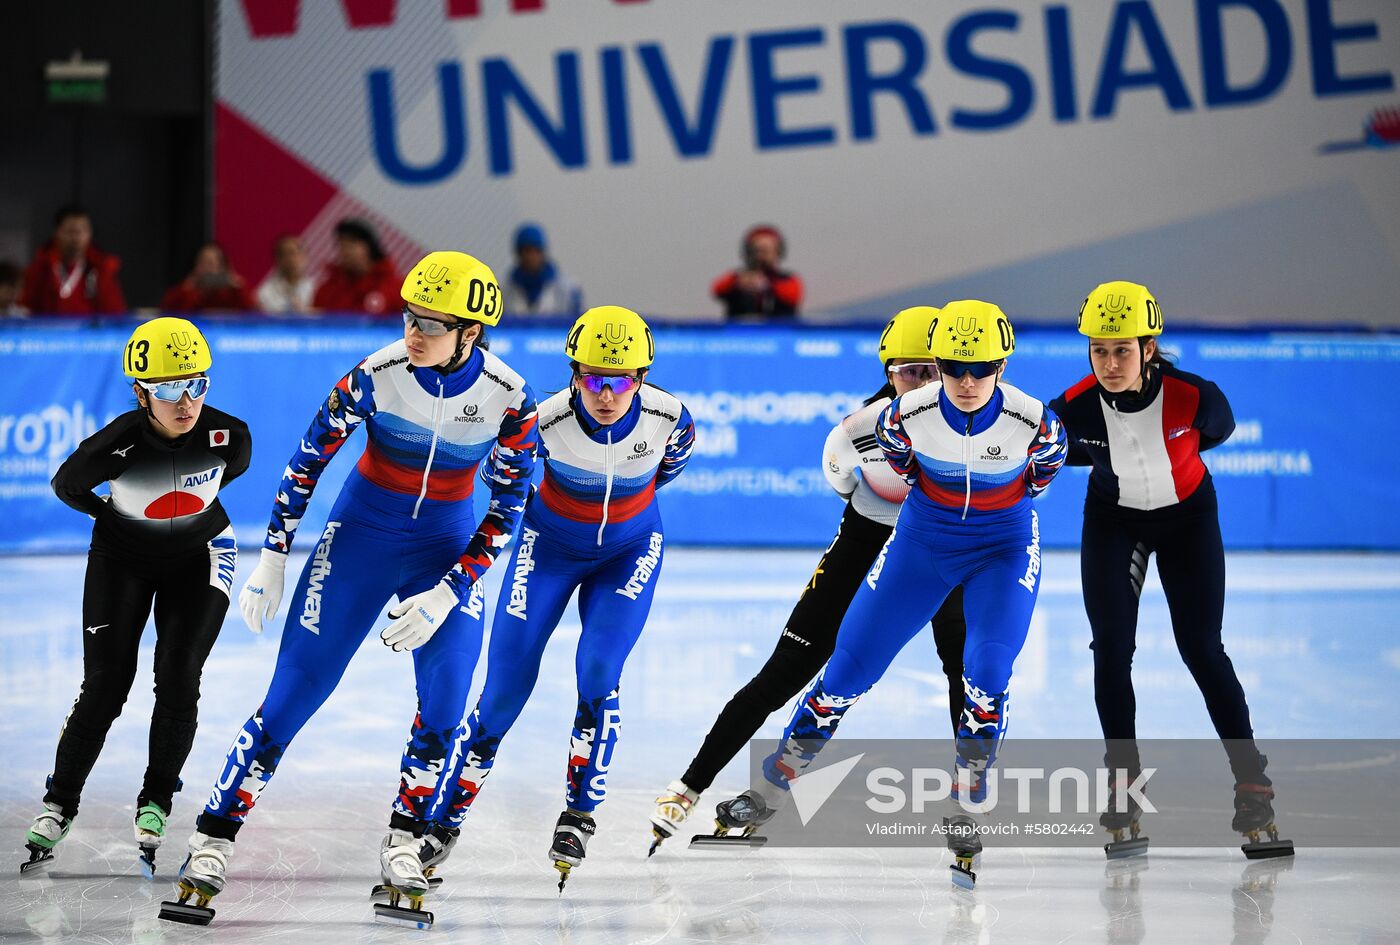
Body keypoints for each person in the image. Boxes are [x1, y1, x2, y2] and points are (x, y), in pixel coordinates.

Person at [159, 251, 537, 928]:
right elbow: (307, 463)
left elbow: (509, 506)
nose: (413, 332)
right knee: (292, 694)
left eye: (432, 324)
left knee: (447, 700)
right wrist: (274, 556)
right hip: (360, 537)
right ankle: (213, 838)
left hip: (445, 548)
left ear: (471, 333)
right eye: (409, 317)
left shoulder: (510, 397)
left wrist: (450, 591)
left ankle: (404, 841)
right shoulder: (375, 374)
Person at [714, 300, 1067, 889]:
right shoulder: (901, 418)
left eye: (981, 368)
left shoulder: (1038, 425)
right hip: (922, 544)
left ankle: (967, 802)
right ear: (939, 364)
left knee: (987, 672)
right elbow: (897, 469)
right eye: (953, 368)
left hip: (1001, 549)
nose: (968, 381)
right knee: (844, 673)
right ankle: (771, 790)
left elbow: (1038, 481)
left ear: (1002, 366)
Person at [648, 306, 968, 853]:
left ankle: (966, 804)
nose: (921, 384)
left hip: (943, 556)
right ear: (889, 373)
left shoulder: (973, 426)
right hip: (864, 547)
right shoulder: (857, 432)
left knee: (966, 677)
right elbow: (843, 483)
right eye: (909, 372)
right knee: (783, 675)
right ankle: (690, 787)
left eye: (933, 372)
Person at [437, 306, 694, 891]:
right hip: (548, 549)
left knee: (599, 670)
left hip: (628, 550)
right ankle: (444, 819)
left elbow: (667, 470)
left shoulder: (671, 419)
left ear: (642, 379)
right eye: (592, 379)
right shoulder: (542, 420)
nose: (605, 395)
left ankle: (580, 813)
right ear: (574, 374)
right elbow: (501, 480)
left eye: (620, 381)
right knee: (502, 691)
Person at [1048, 280, 1292, 859]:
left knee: (1203, 649)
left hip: (1188, 521)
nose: (1110, 364)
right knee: (1111, 649)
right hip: (1115, 522)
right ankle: (1123, 781)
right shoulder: (1073, 407)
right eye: (1099, 351)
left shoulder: (1196, 397)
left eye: (1122, 351)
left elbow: (1218, 432)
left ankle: (1252, 782)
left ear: (1149, 349)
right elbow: (1058, 451)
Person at [23, 317, 250, 877]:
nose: (185, 402)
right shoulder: (114, 444)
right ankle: (59, 803)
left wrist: (180, 520)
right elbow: (67, 485)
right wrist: (116, 517)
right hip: (121, 559)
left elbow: (230, 473)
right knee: (105, 685)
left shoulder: (230, 435)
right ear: (141, 393)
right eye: (169, 390)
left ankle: (157, 799)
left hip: (201, 556)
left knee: (178, 675)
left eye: (196, 385)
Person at [19, 205, 126, 316]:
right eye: (70, 231)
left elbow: (115, 314)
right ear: (57, 232)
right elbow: (25, 310)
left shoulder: (101, 268)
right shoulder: (40, 268)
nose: (76, 237)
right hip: (47, 327)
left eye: (83, 230)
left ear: (90, 233)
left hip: (89, 327)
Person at [311, 218, 401, 315]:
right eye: (341, 244)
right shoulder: (327, 290)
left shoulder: (395, 289)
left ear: (370, 247)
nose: (345, 250)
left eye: (352, 243)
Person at [711, 224, 803, 319]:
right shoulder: (737, 277)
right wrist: (738, 283)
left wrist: (767, 285)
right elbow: (718, 289)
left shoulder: (787, 279)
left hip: (779, 327)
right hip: (740, 327)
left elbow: (793, 295)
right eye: (757, 249)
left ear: (778, 251)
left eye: (767, 249)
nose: (762, 254)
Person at [501, 223, 582, 318]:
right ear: (518, 253)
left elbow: (579, 321)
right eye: (527, 251)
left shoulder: (567, 289)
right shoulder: (503, 290)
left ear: (543, 252)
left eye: (536, 250)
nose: (531, 256)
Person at [161, 244, 256, 313]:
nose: (210, 269)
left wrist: (238, 288)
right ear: (196, 266)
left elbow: (253, 314)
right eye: (205, 263)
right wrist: (187, 289)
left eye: (215, 264)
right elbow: (166, 312)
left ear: (224, 267)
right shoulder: (186, 292)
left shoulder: (233, 293)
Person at [254, 235, 315, 314]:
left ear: (305, 257)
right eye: (286, 254)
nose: (291, 259)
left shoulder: (316, 289)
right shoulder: (265, 293)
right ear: (277, 259)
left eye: (296, 252)